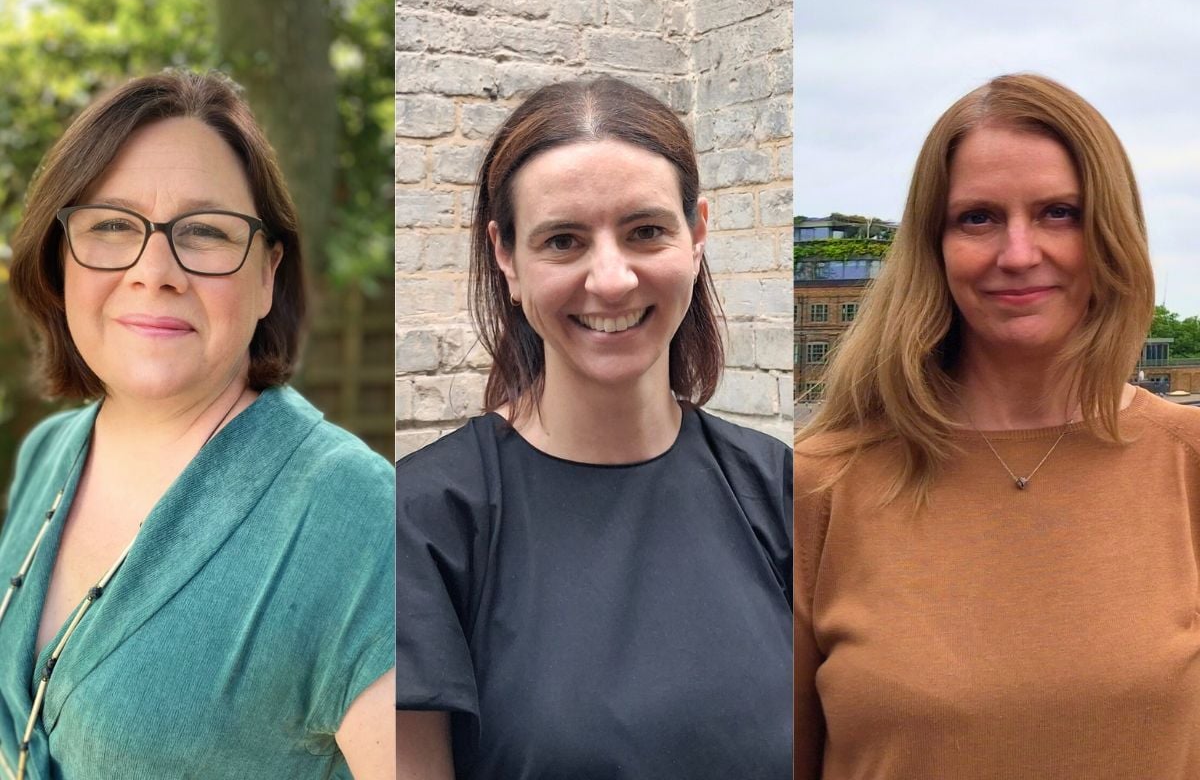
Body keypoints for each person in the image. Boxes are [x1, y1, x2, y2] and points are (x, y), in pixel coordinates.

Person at [794, 73, 1199, 779]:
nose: (1018, 254)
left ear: (1111, 232)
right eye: (977, 217)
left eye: (1059, 213)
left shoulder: (1186, 462)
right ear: (934, 246)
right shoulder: (819, 485)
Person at [0, 71, 393, 779]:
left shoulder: (362, 519)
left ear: (268, 274)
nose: (156, 271)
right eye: (112, 225)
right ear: (59, 261)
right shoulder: (48, 453)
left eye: (205, 232)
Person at [396, 77, 792, 779]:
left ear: (696, 236)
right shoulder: (419, 520)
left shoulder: (784, 491)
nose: (610, 280)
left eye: (645, 231)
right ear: (507, 257)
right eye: (564, 241)